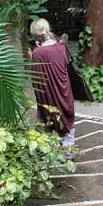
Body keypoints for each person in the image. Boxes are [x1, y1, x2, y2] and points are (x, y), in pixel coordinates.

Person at [28, 18, 76, 150]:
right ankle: (69, 153)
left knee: (45, 119)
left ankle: (43, 151)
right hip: (64, 93)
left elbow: (36, 79)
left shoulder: (37, 53)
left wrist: (32, 57)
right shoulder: (61, 47)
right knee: (67, 120)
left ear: (35, 35)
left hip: (48, 97)